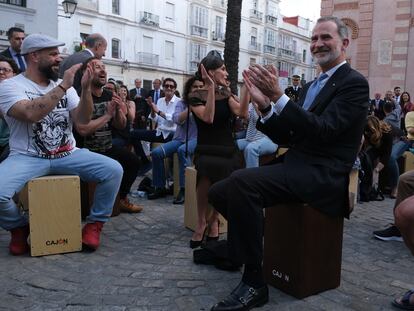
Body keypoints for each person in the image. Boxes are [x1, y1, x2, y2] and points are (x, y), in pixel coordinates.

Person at [207, 16, 369, 311]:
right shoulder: (309, 87)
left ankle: (255, 282)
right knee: (218, 192)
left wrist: (279, 97)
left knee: (243, 183)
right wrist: (267, 107)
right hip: (296, 164)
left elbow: (323, 131)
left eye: (325, 38)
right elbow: (293, 136)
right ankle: (240, 249)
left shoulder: (354, 84)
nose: (318, 44)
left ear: (344, 43)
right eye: (314, 38)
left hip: (323, 175)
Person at [0, 33, 123, 255]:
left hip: (67, 153)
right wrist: (64, 86)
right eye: (53, 54)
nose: (59, 58)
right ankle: (18, 228)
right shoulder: (10, 86)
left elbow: (82, 121)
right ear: (34, 56)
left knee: (113, 170)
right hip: (27, 156)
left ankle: (94, 225)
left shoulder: (66, 87)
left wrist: (85, 89)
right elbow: (29, 113)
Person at [188, 50, 245, 249]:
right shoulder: (195, 95)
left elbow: (242, 112)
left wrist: (247, 89)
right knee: (204, 175)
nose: (226, 72)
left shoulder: (226, 93)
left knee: (225, 177)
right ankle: (201, 221)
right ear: (210, 72)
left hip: (227, 147)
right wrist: (211, 89)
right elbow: (208, 118)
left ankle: (214, 220)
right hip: (206, 147)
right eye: (222, 69)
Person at [75, 58, 142, 214]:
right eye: (97, 67)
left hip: (107, 147)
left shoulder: (109, 94)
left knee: (133, 161)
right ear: (86, 73)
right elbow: (83, 130)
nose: (103, 70)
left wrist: (118, 110)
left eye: (104, 67)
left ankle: (121, 199)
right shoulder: (79, 95)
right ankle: (91, 205)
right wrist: (107, 115)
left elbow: (120, 124)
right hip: (85, 150)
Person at [147, 76, 201, 202]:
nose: (197, 89)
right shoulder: (182, 103)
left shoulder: (205, 103)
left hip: (197, 138)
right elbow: (177, 119)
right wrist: (191, 107)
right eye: (195, 87)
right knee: (156, 153)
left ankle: (184, 189)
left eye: (200, 87)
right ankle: (159, 187)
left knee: (182, 150)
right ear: (189, 89)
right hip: (179, 138)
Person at [129, 78, 180, 177]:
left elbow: (174, 119)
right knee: (132, 133)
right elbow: (155, 118)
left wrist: (158, 111)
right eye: (166, 86)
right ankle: (145, 161)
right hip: (159, 132)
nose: (169, 88)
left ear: (175, 89)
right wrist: (152, 109)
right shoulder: (160, 100)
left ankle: (165, 175)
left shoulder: (179, 102)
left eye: (171, 86)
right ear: (163, 88)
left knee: (161, 149)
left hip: (173, 134)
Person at [237, 85, 278, 168]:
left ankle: (251, 178)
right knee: (231, 145)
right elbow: (244, 116)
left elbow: (262, 117)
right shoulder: (251, 105)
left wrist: (254, 102)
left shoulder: (272, 106)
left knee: (251, 149)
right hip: (251, 139)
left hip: (269, 140)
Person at [359, 116, 393, 202]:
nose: (367, 134)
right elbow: (363, 148)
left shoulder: (387, 134)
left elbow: (386, 155)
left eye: (369, 133)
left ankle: (394, 187)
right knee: (367, 158)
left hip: (397, 140)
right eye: (366, 133)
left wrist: (376, 170)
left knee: (392, 159)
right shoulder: (367, 131)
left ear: (374, 129)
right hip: (376, 143)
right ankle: (367, 189)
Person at [0, 56, 19, 163]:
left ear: (14, 75)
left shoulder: (20, 94)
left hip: (11, 142)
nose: (1, 72)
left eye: (6, 70)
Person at [112, 84, 136, 149]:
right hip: (115, 132)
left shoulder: (131, 103)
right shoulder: (115, 103)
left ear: (127, 93)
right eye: (121, 90)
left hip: (126, 133)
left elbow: (132, 119)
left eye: (125, 91)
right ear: (118, 92)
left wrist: (127, 106)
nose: (123, 92)